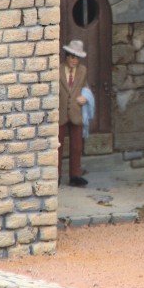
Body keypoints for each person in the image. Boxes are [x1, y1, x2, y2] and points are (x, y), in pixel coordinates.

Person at [58, 39, 89, 187]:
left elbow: (86, 87)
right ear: (67, 56)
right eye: (72, 57)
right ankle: (55, 174)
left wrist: (85, 97)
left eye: (77, 58)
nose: (74, 60)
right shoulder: (58, 69)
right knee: (58, 145)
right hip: (61, 112)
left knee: (76, 145)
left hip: (76, 112)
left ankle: (75, 174)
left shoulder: (82, 71)